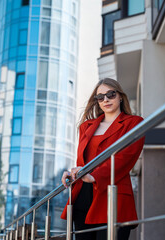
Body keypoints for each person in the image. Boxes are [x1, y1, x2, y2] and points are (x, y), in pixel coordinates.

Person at [60, 78, 145, 240]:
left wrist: (95, 176)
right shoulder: (86, 126)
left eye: (110, 94)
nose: (105, 99)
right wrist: (73, 173)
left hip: (113, 195)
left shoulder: (134, 123)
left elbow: (126, 158)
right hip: (83, 197)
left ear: (120, 96)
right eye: (100, 97)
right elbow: (82, 162)